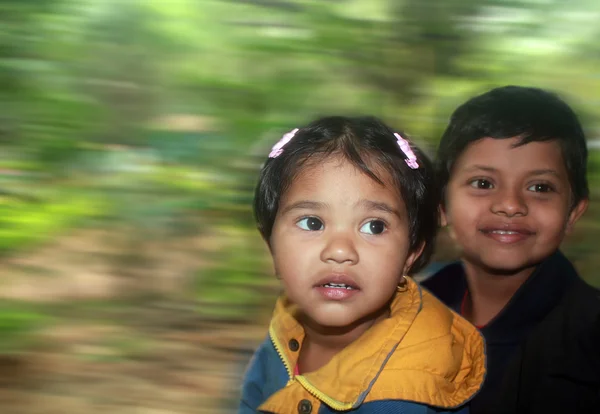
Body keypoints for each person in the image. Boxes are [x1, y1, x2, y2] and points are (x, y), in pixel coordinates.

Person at [239, 116, 485, 413]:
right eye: (312, 222)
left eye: (374, 227)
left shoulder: (407, 395)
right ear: (272, 246)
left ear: (411, 253)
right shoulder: (285, 332)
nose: (341, 250)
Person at [422, 86, 600, 414]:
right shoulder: (408, 312)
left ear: (573, 212)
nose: (510, 205)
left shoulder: (588, 338)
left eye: (540, 187)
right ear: (442, 205)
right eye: (483, 183)